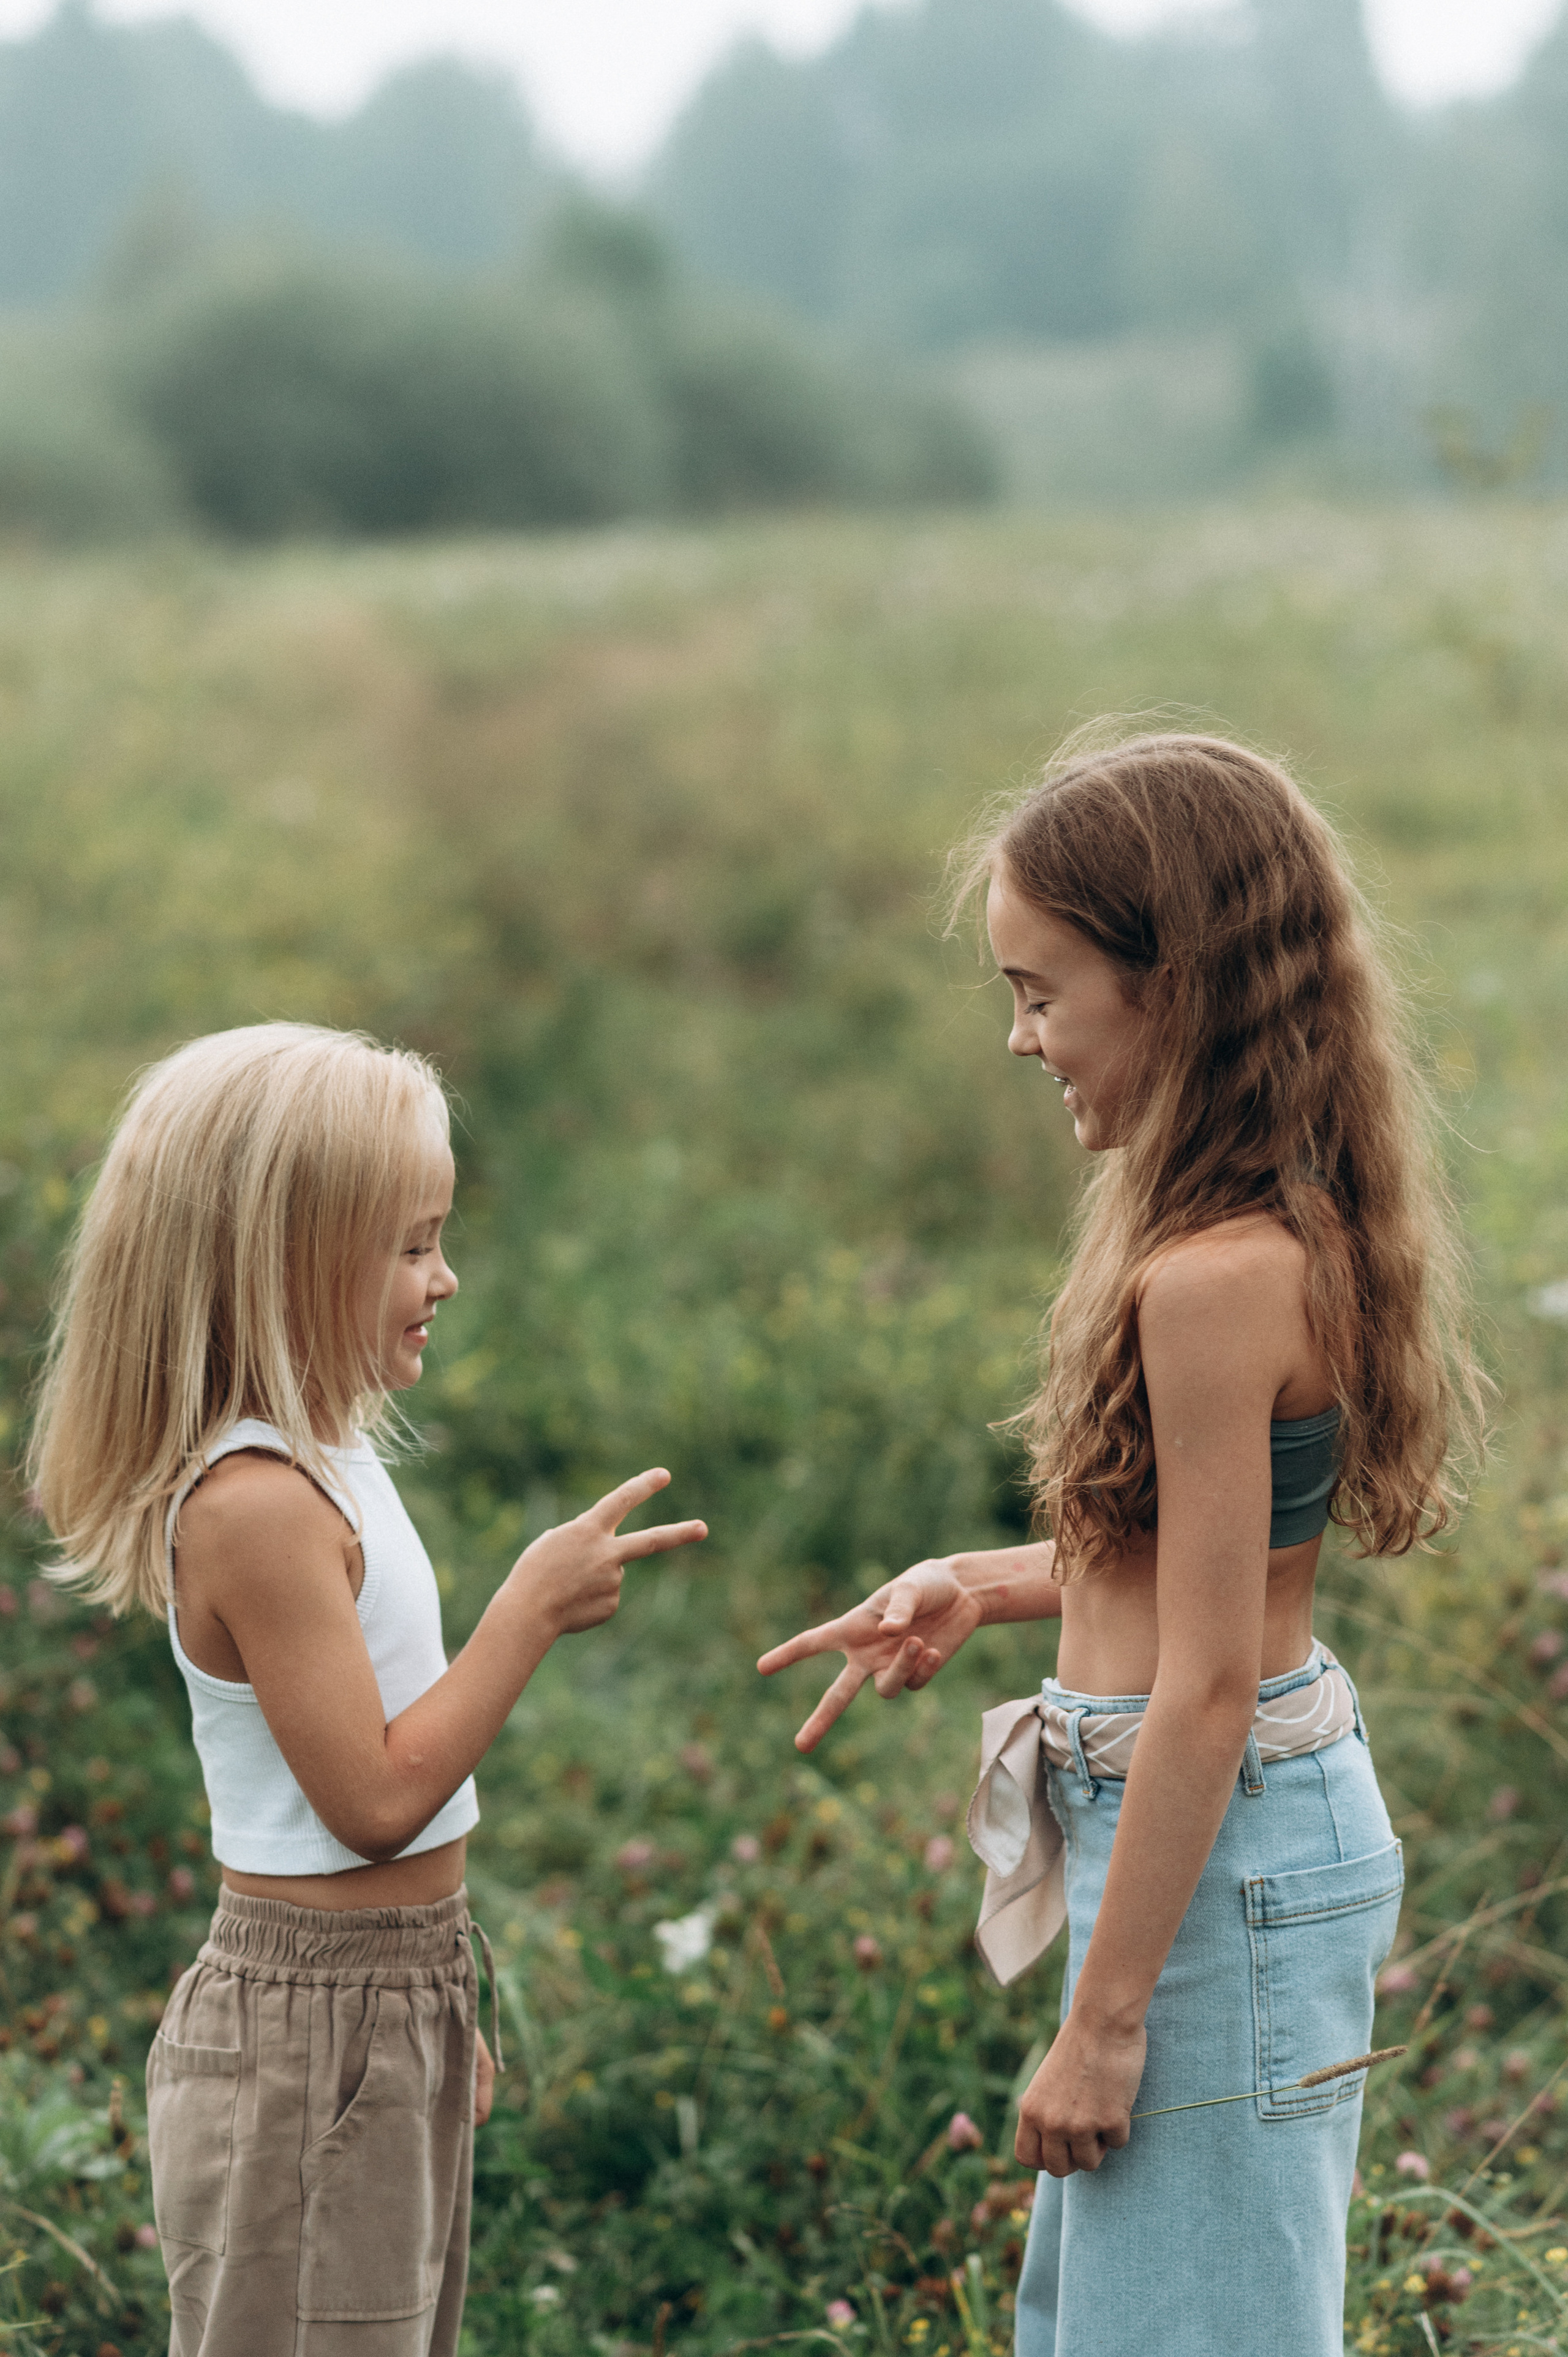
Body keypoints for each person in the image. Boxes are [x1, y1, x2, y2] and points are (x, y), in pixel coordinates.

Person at [758, 733, 1483, 2356]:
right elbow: (1214, 1567)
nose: (1020, 1037)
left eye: (1041, 992)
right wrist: (983, 1580)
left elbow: (1207, 1683)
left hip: (1219, 1850)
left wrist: (1100, 2025)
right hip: (1218, 1838)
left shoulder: (1214, 1282)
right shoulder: (1255, 1229)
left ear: (1178, 988)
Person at [28, 1021, 706, 2357]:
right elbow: (377, 1802)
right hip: (302, 2037)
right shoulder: (256, 1505)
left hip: (382, 2000)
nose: (444, 1277)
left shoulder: (329, 1451)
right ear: (283, 1264)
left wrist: (423, 2004)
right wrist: (527, 1610)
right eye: (409, 1246)